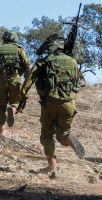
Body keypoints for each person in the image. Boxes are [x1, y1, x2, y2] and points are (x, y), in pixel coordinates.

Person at [20, 34, 85, 173]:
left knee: (47, 135)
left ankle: (52, 166)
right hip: (69, 103)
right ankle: (68, 138)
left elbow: (28, 81)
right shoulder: (73, 61)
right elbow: (77, 81)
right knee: (63, 134)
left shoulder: (42, 62)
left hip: (49, 102)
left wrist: (22, 98)